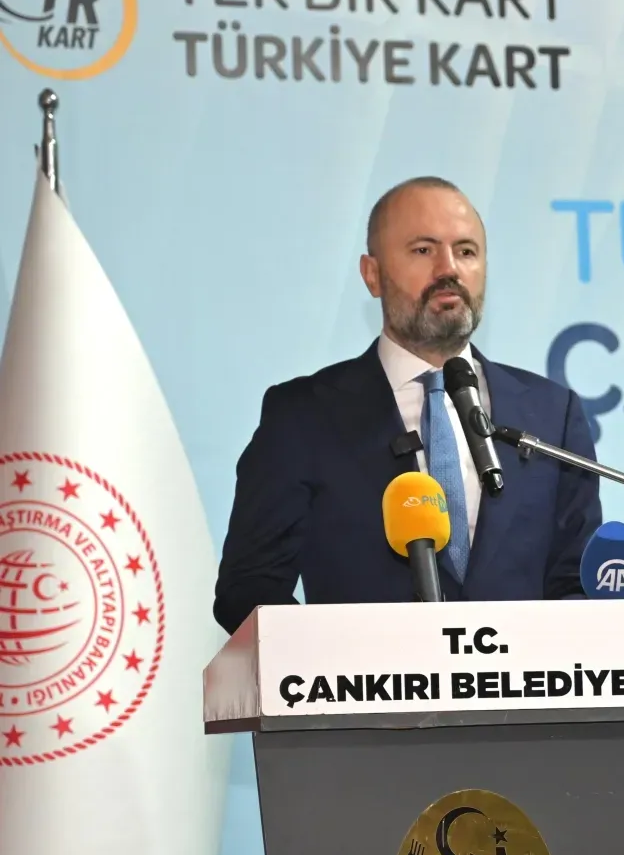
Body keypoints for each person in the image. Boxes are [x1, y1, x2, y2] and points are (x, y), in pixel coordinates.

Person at [213, 176, 601, 635]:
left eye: (466, 251)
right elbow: (248, 588)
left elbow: (578, 583)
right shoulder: (301, 417)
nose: (448, 268)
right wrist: (331, 658)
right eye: (423, 249)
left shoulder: (552, 415)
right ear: (372, 274)